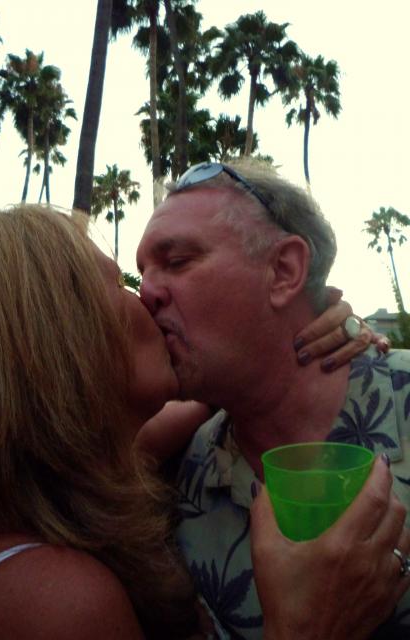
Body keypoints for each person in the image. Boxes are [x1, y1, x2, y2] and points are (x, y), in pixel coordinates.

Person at [0, 205, 403, 639]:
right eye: (121, 284)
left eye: (177, 262)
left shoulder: (49, 488)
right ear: (55, 342)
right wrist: (305, 628)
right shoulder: (53, 604)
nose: (147, 294)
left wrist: (289, 338)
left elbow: (210, 396)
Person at [136, 161, 410, 639]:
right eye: (143, 272)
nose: (145, 293)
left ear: (284, 271)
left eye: (176, 262)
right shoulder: (169, 480)